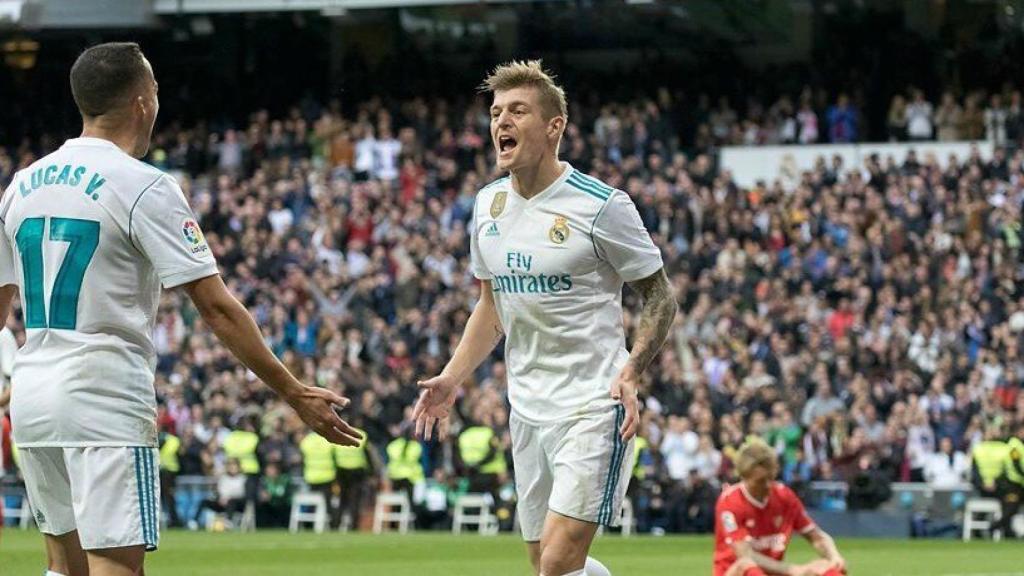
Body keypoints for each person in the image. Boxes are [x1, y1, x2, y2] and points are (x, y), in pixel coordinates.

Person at [0, 42, 360, 576]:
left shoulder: (22, 184)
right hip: (103, 395)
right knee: (116, 566)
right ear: (144, 102)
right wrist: (293, 391)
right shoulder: (144, 186)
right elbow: (214, 308)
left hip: (32, 397)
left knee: (63, 566)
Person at [412, 60, 677, 576]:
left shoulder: (602, 206)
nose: (501, 122)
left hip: (593, 404)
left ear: (554, 126)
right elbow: (492, 308)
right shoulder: (487, 206)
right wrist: (452, 377)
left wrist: (633, 370)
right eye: (495, 112)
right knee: (547, 567)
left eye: (517, 111)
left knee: (557, 563)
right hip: (528, 408)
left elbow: (660, 296)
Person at [714, 440, 846, 576]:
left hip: (774, 573)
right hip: (734, 572)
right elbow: (745, 554)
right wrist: (794, 570)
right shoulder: (730, 501)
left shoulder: (784, 496)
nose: (767, 485)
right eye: (760, 481)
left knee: (824, 567)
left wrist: (834, 556)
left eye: (770, 478)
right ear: (744, 477)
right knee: (746, 564)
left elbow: (817, 537)